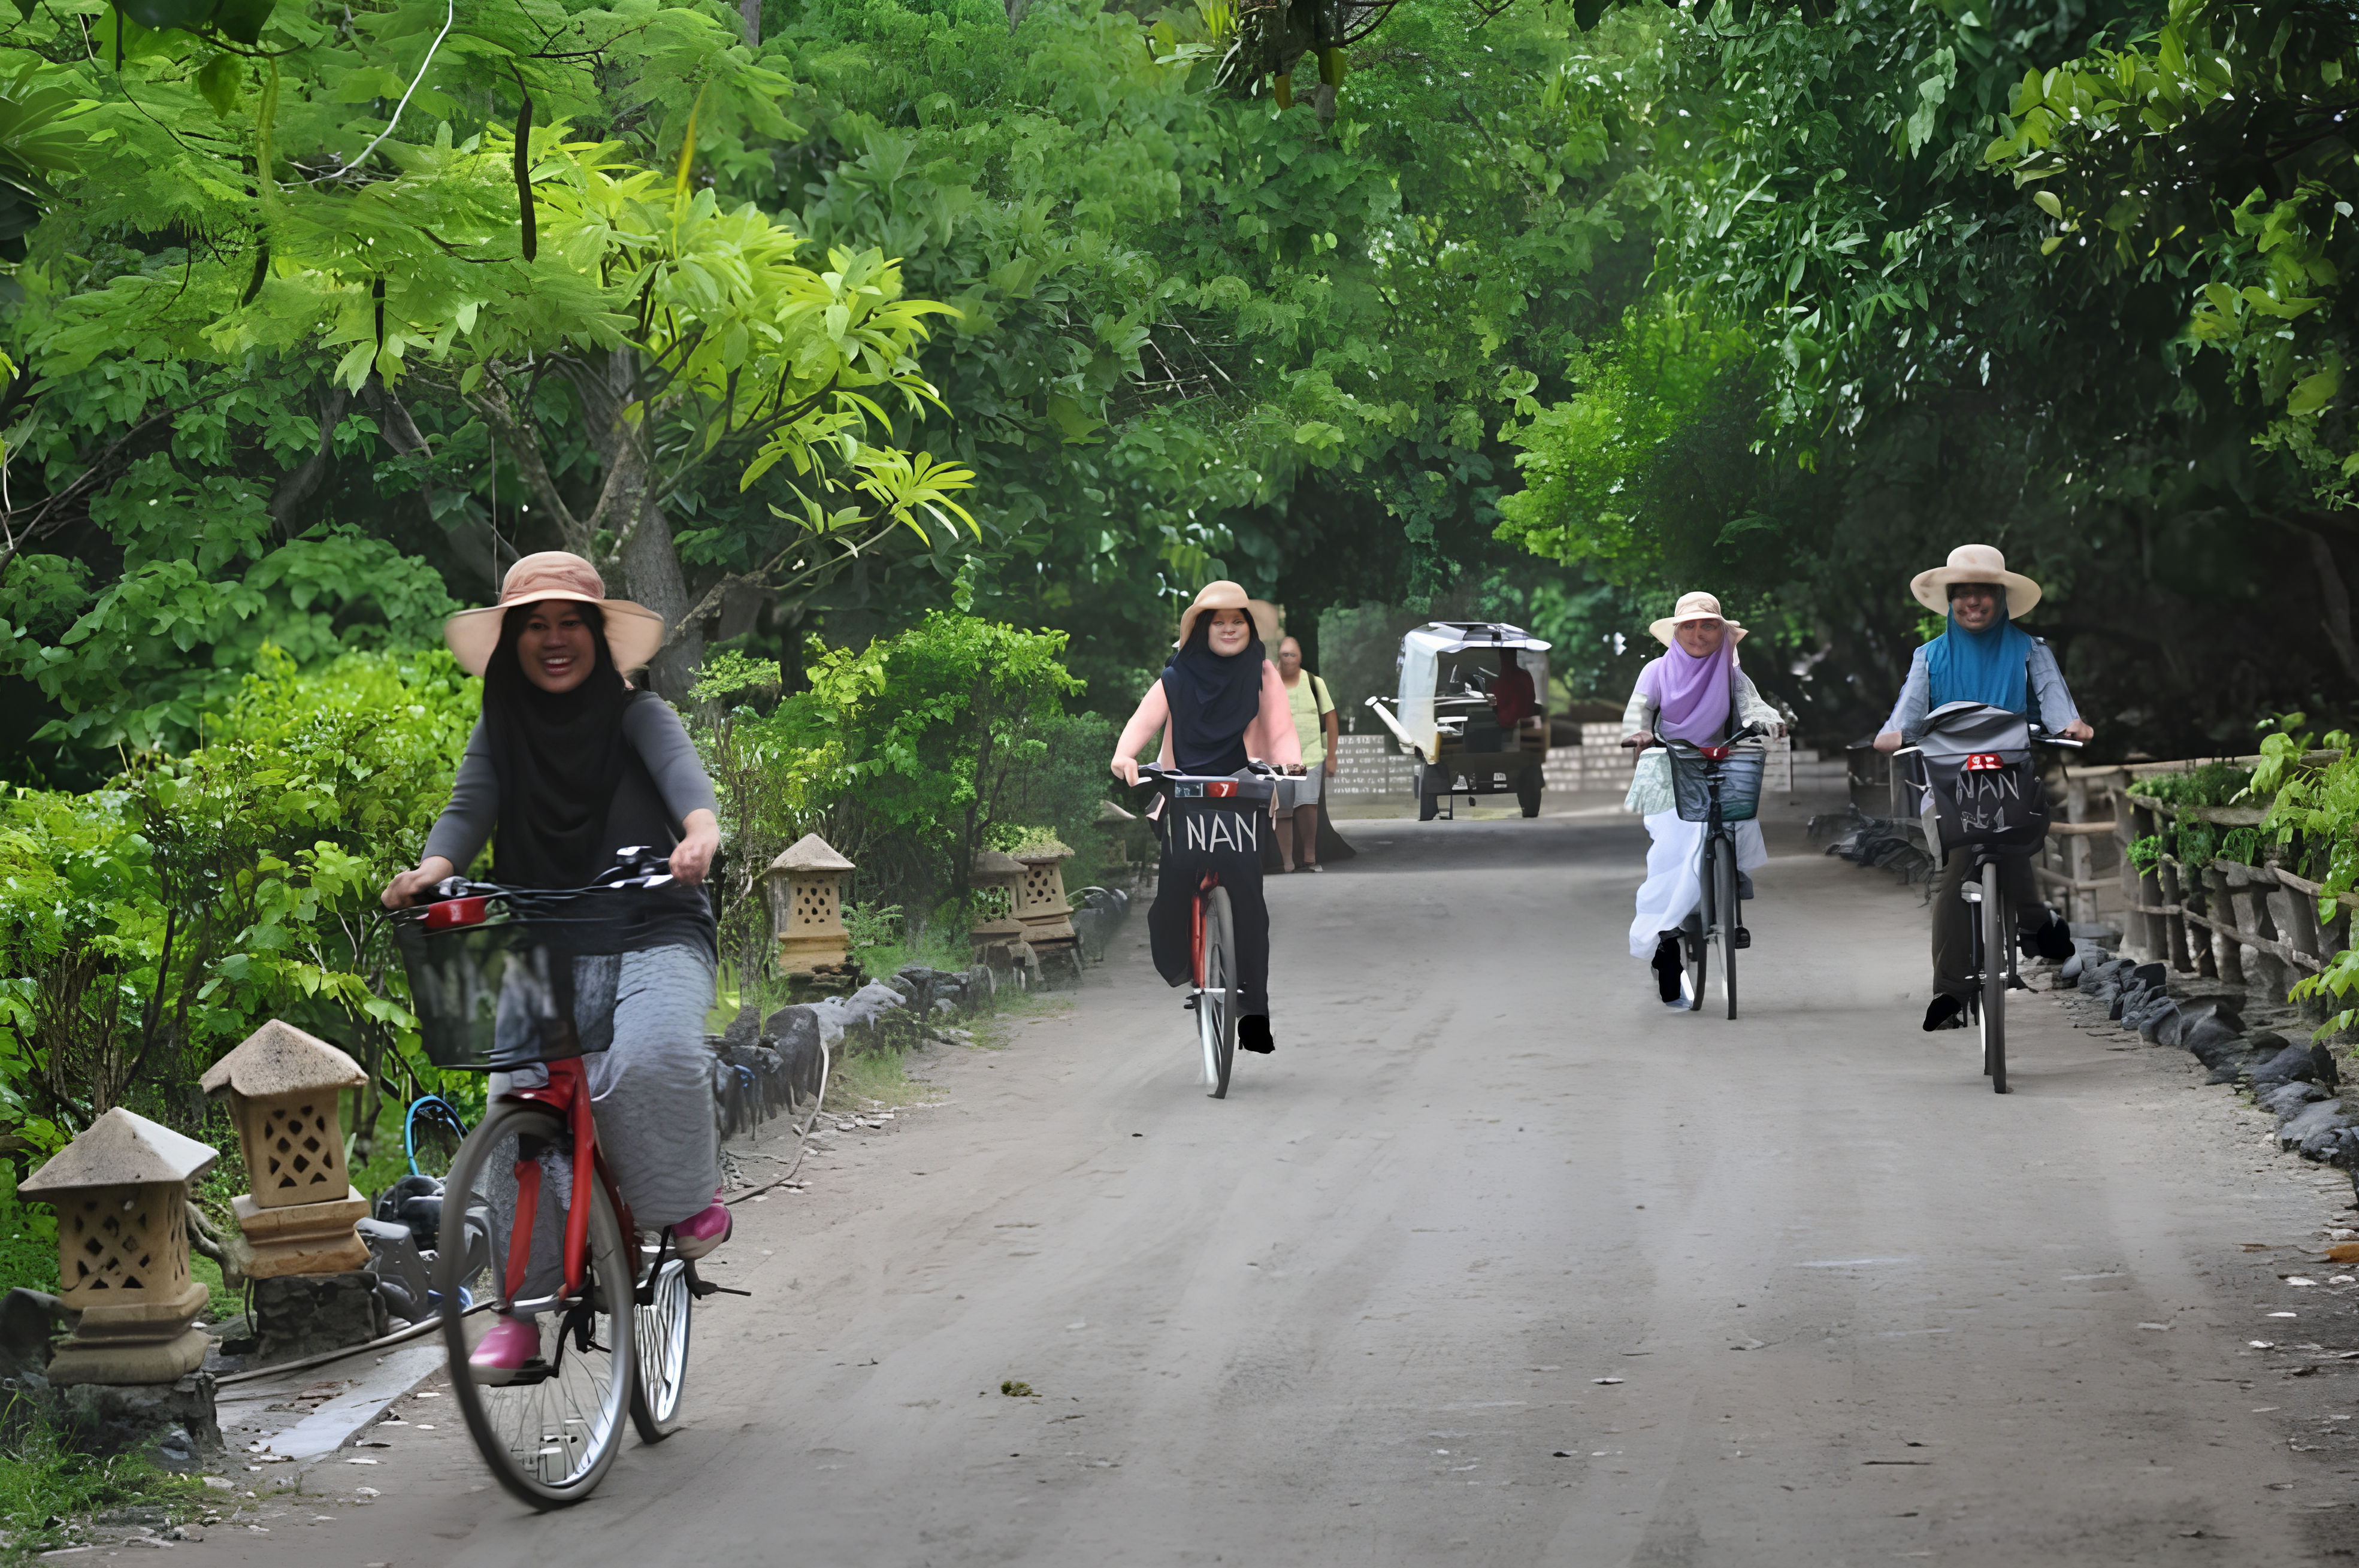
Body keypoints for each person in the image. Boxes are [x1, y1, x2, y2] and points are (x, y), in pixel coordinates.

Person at [380, 551, 731, 1380]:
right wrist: (432, 869)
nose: (554, 638)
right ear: (511, 644)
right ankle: (523, 1312)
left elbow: (685, 777)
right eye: (534, 625)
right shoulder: (500, 726)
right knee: (516, 1101)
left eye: (570, 621)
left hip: (653, 924)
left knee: (650, 1057)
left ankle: (680, 1206)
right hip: (546, 939)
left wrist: (700, 832)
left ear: (598, 633)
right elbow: (470, 804)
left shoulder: (636, 712)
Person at [1872, 544, 2094, 1031]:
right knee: (1955, 878)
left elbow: (2057, 706)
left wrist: (2072, 725)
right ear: (1951, 600)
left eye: (1984, 593)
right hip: (1950, 786)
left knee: (2009, 833)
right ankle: (1960, 984)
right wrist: (1894, 734)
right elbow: (1905, 717)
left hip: (2011, 781)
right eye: (1963, 594)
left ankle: (2033, 928)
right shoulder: (1928, 656)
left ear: (2001, 597)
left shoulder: (2029, 650)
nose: (1974, 603)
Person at [1111, 582, 1302, 1054]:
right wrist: (1125, 755)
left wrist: (1290, 762)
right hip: (1184, 794)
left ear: (1249, 626)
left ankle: (1254, 1015)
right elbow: (1144, 719)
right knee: (1173, 892)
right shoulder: (1176, 675)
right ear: (1201, 628)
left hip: (1243, 793)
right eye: (1219, 622)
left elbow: (1280, 730)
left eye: (1237, 620)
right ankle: (1191, 968)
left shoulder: (1262, 673)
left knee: (1252, 910)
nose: (1230, 629)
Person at [1622, 592, 1786, 1006]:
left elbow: (1752, 707)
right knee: (1675, 845)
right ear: (1676, 632)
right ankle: (1667, 936)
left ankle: (1730, 883)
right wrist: (1642, 732)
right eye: (1689, 626)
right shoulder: (1655, 671)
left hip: (1721, 763)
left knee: (1739, 819)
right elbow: (1639, 711)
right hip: (1669, 767)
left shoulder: (1731, 674)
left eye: (1708, 625)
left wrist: (1768, 720)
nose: (1699, 633)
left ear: (1721, 631)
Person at [1274, 635, 1339, 872]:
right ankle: (1288, 862)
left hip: (1309, 755)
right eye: (1285, 655)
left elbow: (1330, 717)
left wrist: (1331, 755)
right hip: (1279, 757)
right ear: (1278, 658)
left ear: (1300, 658)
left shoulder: (1314, 683)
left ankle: (1310, 858)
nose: (1289, 659)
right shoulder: (1269, 684)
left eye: (1293, 655)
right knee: (1282, 810)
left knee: (1307, 806)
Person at [1487, 649, 1539, 734]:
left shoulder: (1500, 682)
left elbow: (1498, 705)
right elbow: (1532, 699)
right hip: (1526, 724)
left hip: (1509, 726)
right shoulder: (1526, 676)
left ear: (1501, 658)